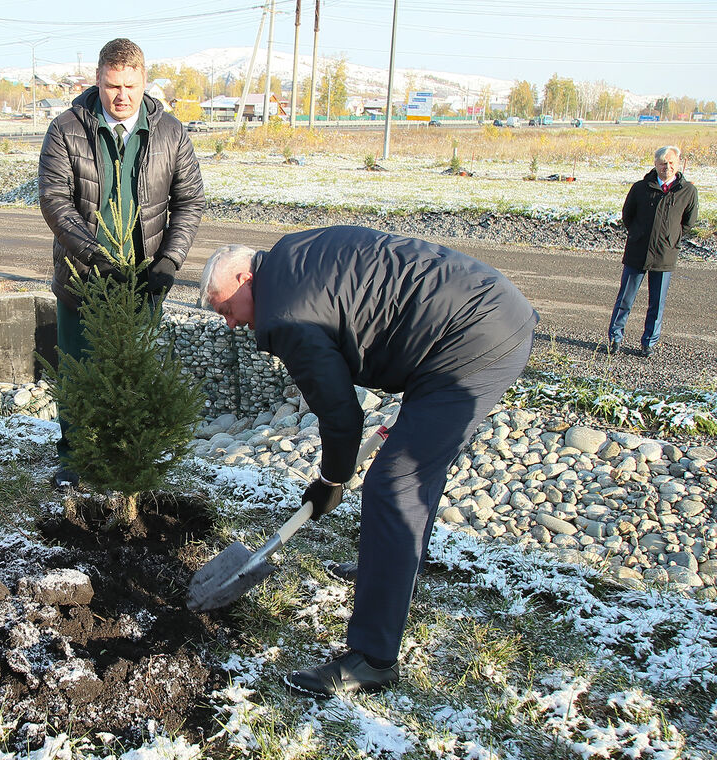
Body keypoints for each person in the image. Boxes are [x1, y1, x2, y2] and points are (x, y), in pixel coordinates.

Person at [199, 225, 538, 698]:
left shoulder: (286, 314)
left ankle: (373, 659)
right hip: (473, 315)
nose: (231, 324)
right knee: (405, 472)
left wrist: (331, 479)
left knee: (395, 484)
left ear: (243, 278)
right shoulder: (291, 257)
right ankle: (387, 569)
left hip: (472, 339)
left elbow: (340, 415)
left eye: (226, 310)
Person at [38, 37, 204, 490]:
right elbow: (54, 201)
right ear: (97, 79)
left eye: (131, 85)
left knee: (135, 370)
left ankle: (130, 455)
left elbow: (189, 202)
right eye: (113, 85)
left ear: (144, 80)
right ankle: (74, 455)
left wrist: (169, 261)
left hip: (144, 279)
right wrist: (93, 256)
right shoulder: (66, 129)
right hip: (82, 276)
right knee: (76, 369)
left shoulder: (170, 132)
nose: (122, 95)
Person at [607, 145, 698, 358]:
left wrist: (670, 238)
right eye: (663, 163)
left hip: (665, 254)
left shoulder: (687, 191)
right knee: (625, 299)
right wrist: (639, 234)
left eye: (671, 163)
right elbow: (627, 215)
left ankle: (649, 342)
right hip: (637, 252)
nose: (667, 167)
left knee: (657, 303)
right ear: (655, 164)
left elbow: (689, 222)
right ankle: (615, 338)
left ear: (677, 164)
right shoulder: (640, 188)